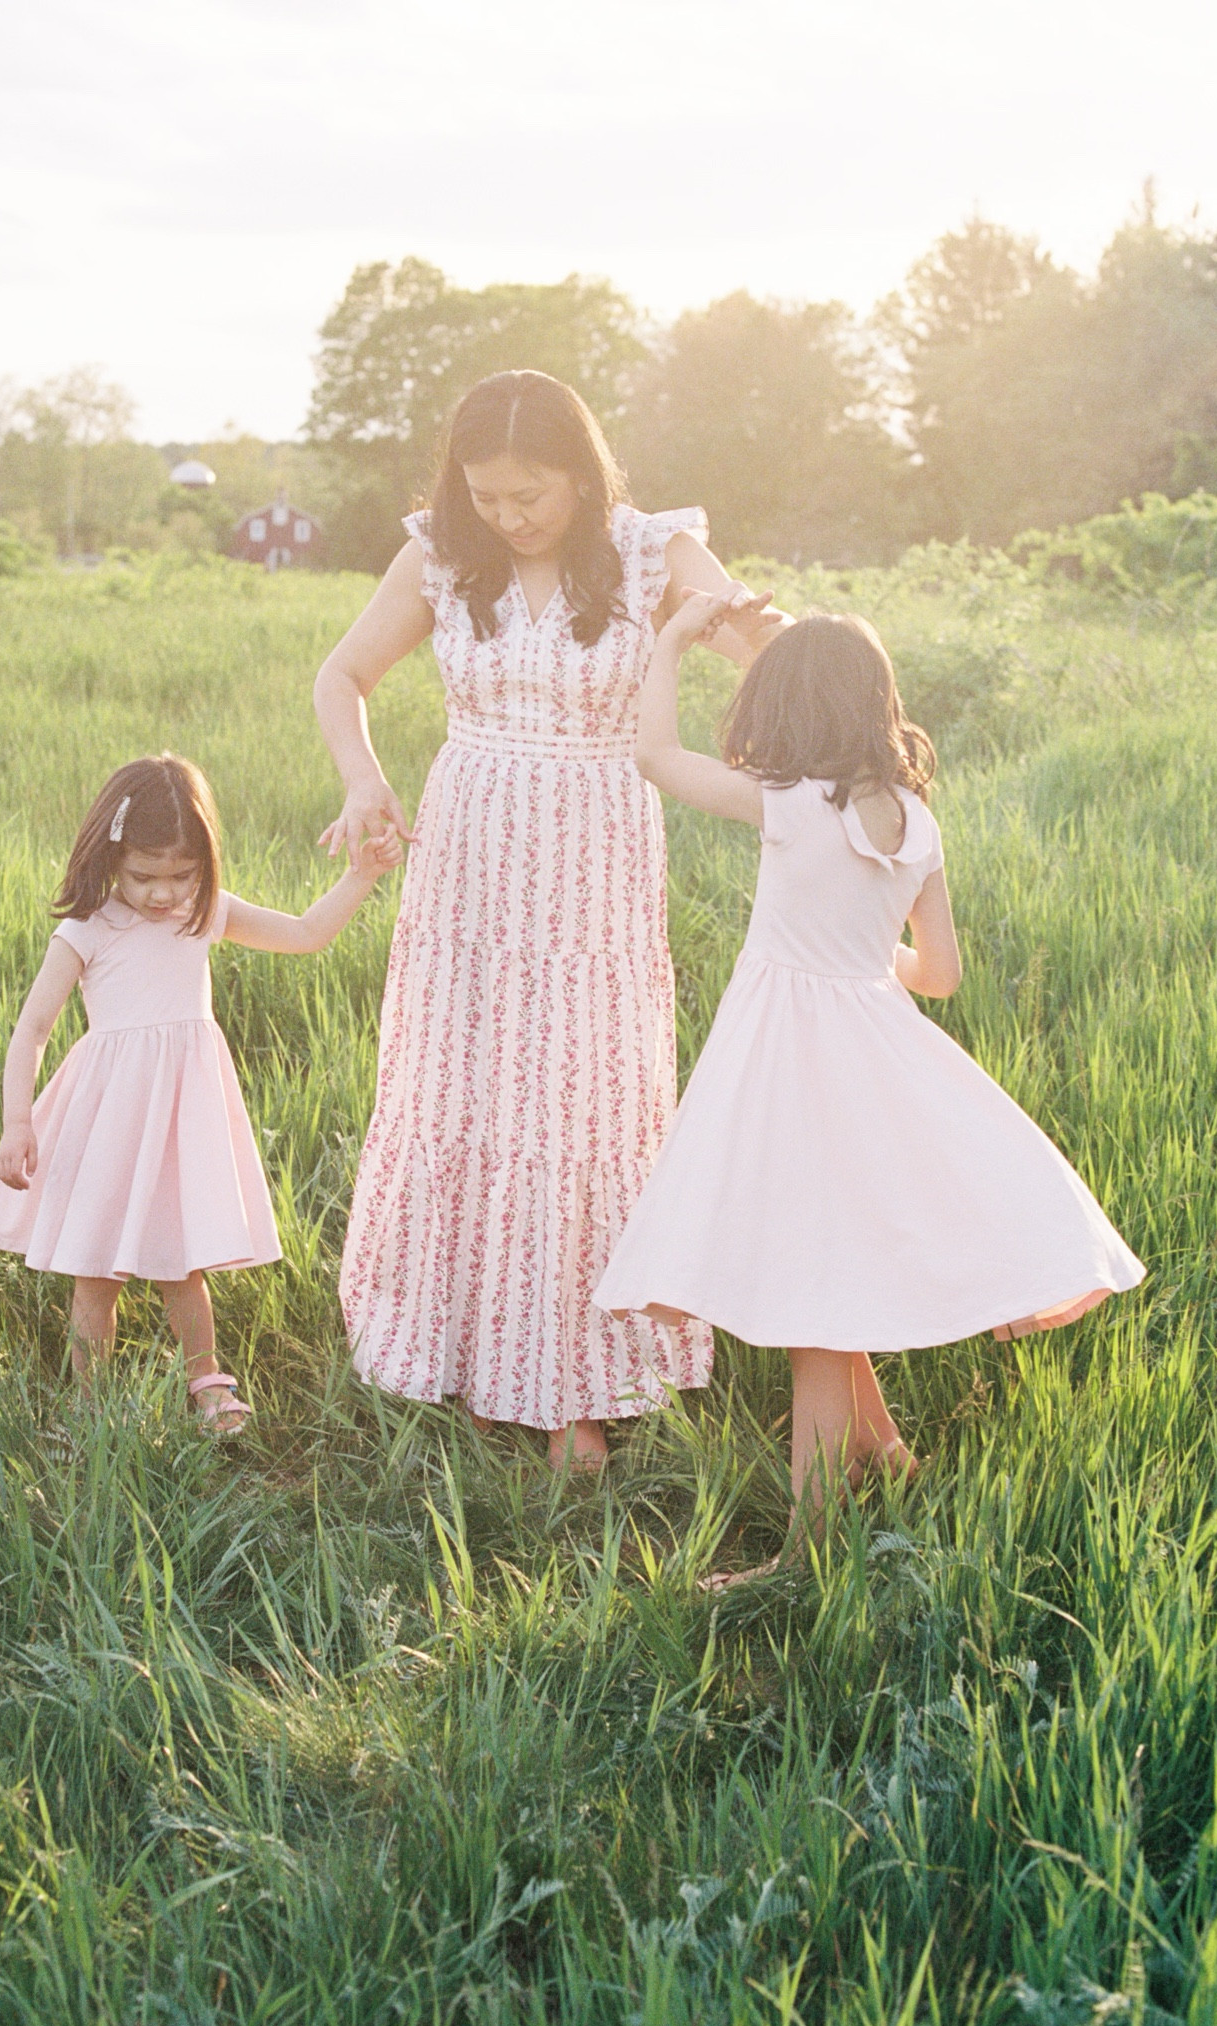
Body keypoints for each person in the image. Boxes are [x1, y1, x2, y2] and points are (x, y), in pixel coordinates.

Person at [594, 597, 1145, 1562]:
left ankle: (803, 1554)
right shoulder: (918, 822)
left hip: (788, 1068)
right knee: (831, 1261)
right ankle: (884, 1451)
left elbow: (654, 758)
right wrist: (855, 956)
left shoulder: (787, 803)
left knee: (812, 1300)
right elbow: (938, 974)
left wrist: (675, 641)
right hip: (872, 1050)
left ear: (787, 715)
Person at [313, 370, 787, 1470]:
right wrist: (359, 780)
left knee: (578, 1103)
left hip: (591, 863)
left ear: (580, 474)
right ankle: (475, 1357)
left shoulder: (649, 551)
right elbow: (343, 675)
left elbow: (762, 646)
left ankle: (575, 1380)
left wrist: (762, 629)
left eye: (528, 494)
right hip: (468, 852)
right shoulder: (438, 550)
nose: (508, 516)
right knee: (464, 1089)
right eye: (487, 496)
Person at [0, 753, 400, 1432]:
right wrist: (19, 1121)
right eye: (143, 876)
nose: (163, 894)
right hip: (108, 1118)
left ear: (204, 863)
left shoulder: (204, 913)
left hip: (179, 1119)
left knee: (180, 1261)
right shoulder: (88, 928)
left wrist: (360, 875)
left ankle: (206, 1378)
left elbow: (306, 934)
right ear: (111, 855)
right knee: (95, 1271)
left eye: (180, 875)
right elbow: (31, 1031)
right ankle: (89, 1405)